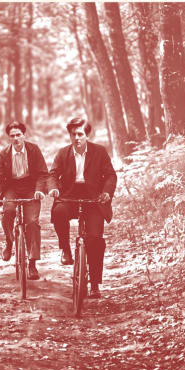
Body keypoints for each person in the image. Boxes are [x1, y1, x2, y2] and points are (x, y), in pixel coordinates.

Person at [48, 117, 117, 299]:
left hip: (93, 198)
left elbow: (110, 175)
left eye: (81, 134)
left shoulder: (99, 152)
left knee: (95, 240)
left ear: (87, 135)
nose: (77, 138)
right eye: (73, 134)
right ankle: (65, 249)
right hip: (69, 195)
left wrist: (107, 192)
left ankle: (94, 284)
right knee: (58, 212)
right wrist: (54, 188)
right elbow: (53, 174)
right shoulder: (63, 154)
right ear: (69, 135)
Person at [0, 121, 49, 280]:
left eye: (18, 135)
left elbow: (43, 173)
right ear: (9, 138)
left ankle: (32, 263)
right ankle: (9, 242)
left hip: (31, 187)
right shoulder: (3, 154)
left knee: (32, 222)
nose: (16, 138)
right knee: (8, 211)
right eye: (12, 136)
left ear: (24, 135)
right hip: (12, 187)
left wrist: (39, 190)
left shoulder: (34, 150)